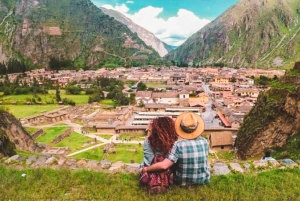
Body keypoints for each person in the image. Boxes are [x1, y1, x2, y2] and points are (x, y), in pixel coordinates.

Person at [140, 112, 210, 186]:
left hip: (181, 182)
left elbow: (161, 165)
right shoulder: (205, 142)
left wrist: (145, 169)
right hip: (204, 180)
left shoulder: (178, 145)